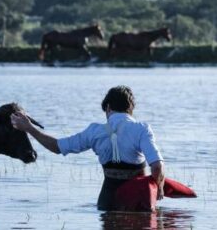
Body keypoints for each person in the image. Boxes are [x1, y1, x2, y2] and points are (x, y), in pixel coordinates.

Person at [10, 85, 165, 211]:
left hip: (107, 201)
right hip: (137, 202)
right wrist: (159, 188)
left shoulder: (94, 131)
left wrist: (30, 128)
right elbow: (157, 166)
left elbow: (57, 147)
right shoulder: (141, 129)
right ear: (131, 108)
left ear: (108, 107)